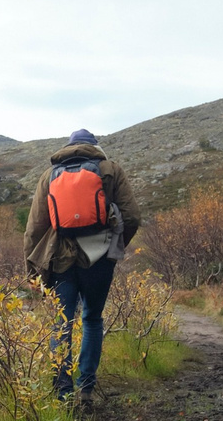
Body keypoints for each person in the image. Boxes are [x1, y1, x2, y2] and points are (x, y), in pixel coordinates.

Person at [21, 128, 142, 402]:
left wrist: (32, 273)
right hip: (99, 260)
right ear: (95, 146)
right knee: (92, 319)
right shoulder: (110, 170)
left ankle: (62, 393)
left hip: (60, 261)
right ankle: (85, 389)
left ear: (68, 147)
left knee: (61, 324)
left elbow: (33, 230)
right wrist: (115, 244)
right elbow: (133, 216)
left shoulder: (48, 176)